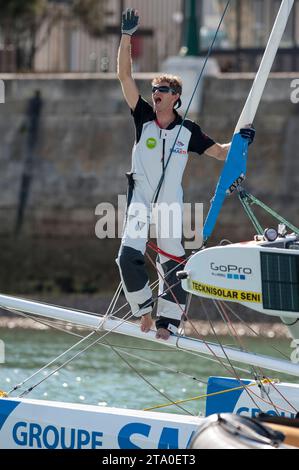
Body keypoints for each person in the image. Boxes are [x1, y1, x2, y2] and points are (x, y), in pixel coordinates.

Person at [116, 8, 255, 340]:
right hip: (141, 197)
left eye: (163, 89)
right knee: (127, 257)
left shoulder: (188, 132)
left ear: (176, 97)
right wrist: (126, 36)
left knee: (174, 267)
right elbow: (124, 77)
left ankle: (169, 324)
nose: (156, 93)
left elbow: (221, 153)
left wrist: (242, 140)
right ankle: (144, 312)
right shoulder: (144, 117)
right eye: (154, 89)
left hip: (169, 204)